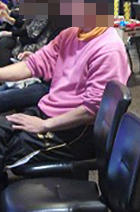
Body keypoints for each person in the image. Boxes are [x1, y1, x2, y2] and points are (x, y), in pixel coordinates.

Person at [0, 25, 129, 183]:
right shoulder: (70, 34)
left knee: (8, 149)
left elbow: (92, 110)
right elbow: (33, 64)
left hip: (76, 131)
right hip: (48, 113)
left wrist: (45, 125)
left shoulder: (109, 48)